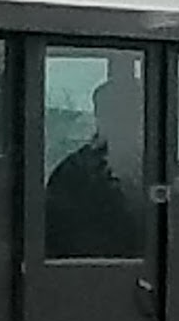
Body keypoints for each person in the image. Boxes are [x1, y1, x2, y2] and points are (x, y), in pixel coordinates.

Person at [45, 66, 146, 260]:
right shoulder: (74, 173)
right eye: (125, 116)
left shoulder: (160, 167)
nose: (135, 124)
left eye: (138, 116)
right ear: (102, 119)